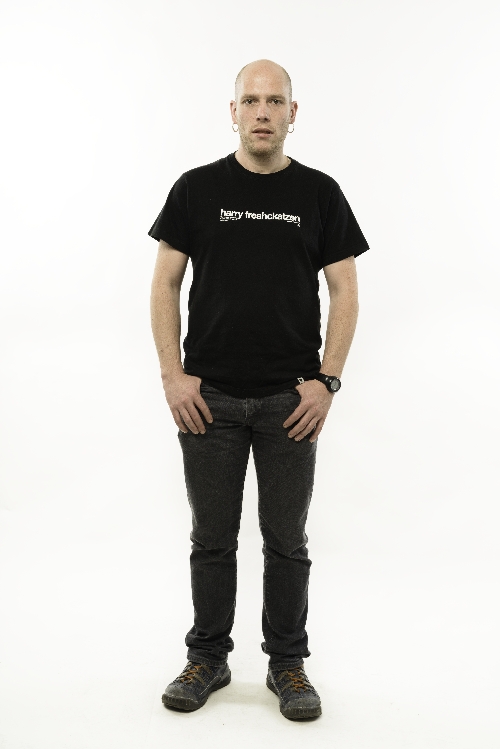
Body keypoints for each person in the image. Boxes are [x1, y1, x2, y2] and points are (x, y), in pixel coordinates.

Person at [148, 59, 370, 721]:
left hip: (289, 402)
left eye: (276, 101)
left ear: (293, 114)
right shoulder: (195, 189)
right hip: (208, 398)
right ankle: (208, 657)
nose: (263, 112)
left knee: (287, 541)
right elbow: (164, 283)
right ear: (234, 112)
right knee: (211, 538)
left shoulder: (320, 193)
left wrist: (327, 381)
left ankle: (287, 663)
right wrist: (173, 375)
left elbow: (345, 290)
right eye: (252, 100)